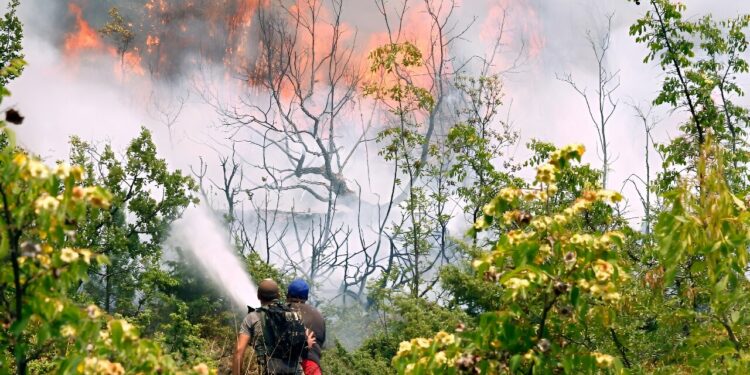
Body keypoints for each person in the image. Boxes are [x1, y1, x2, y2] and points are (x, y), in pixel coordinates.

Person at [233, 279, 313, 375]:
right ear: (279, 296)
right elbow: (305, 344)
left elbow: (239, 351)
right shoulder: (295, 314)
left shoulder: (252, 318)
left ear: (258, 296)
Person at [286, 279, 326, 375]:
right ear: (306, 297)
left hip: (288, 365)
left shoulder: (282, 311)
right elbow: (322, 344)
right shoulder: (319, 316)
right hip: (312, 367)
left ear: (288, 295)